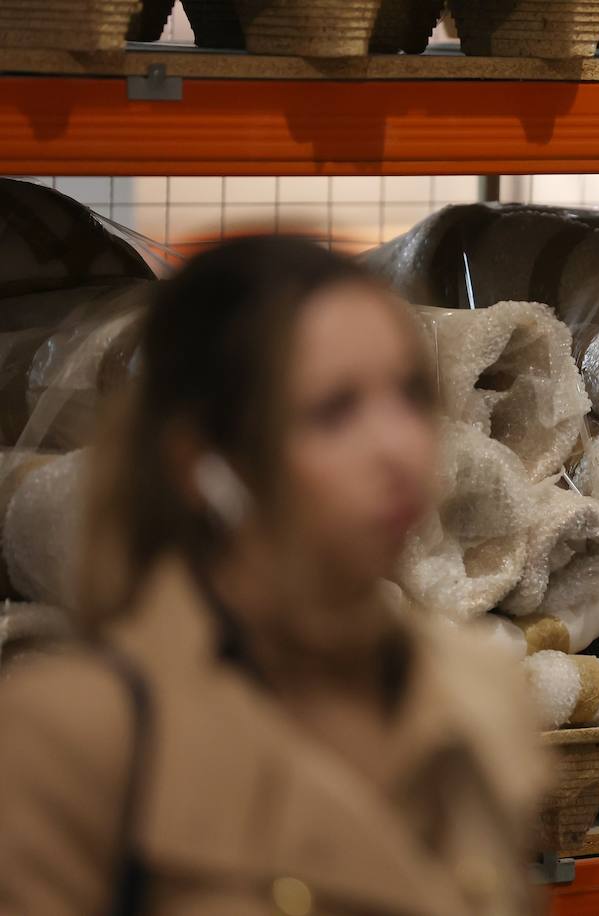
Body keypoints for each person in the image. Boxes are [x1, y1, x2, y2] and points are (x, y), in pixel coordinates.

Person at [0, 237, 547, 915]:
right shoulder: (75, 740)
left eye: (409, 396)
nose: (400, 449)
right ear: (200, 459)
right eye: (333, 410)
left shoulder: (476, 696)